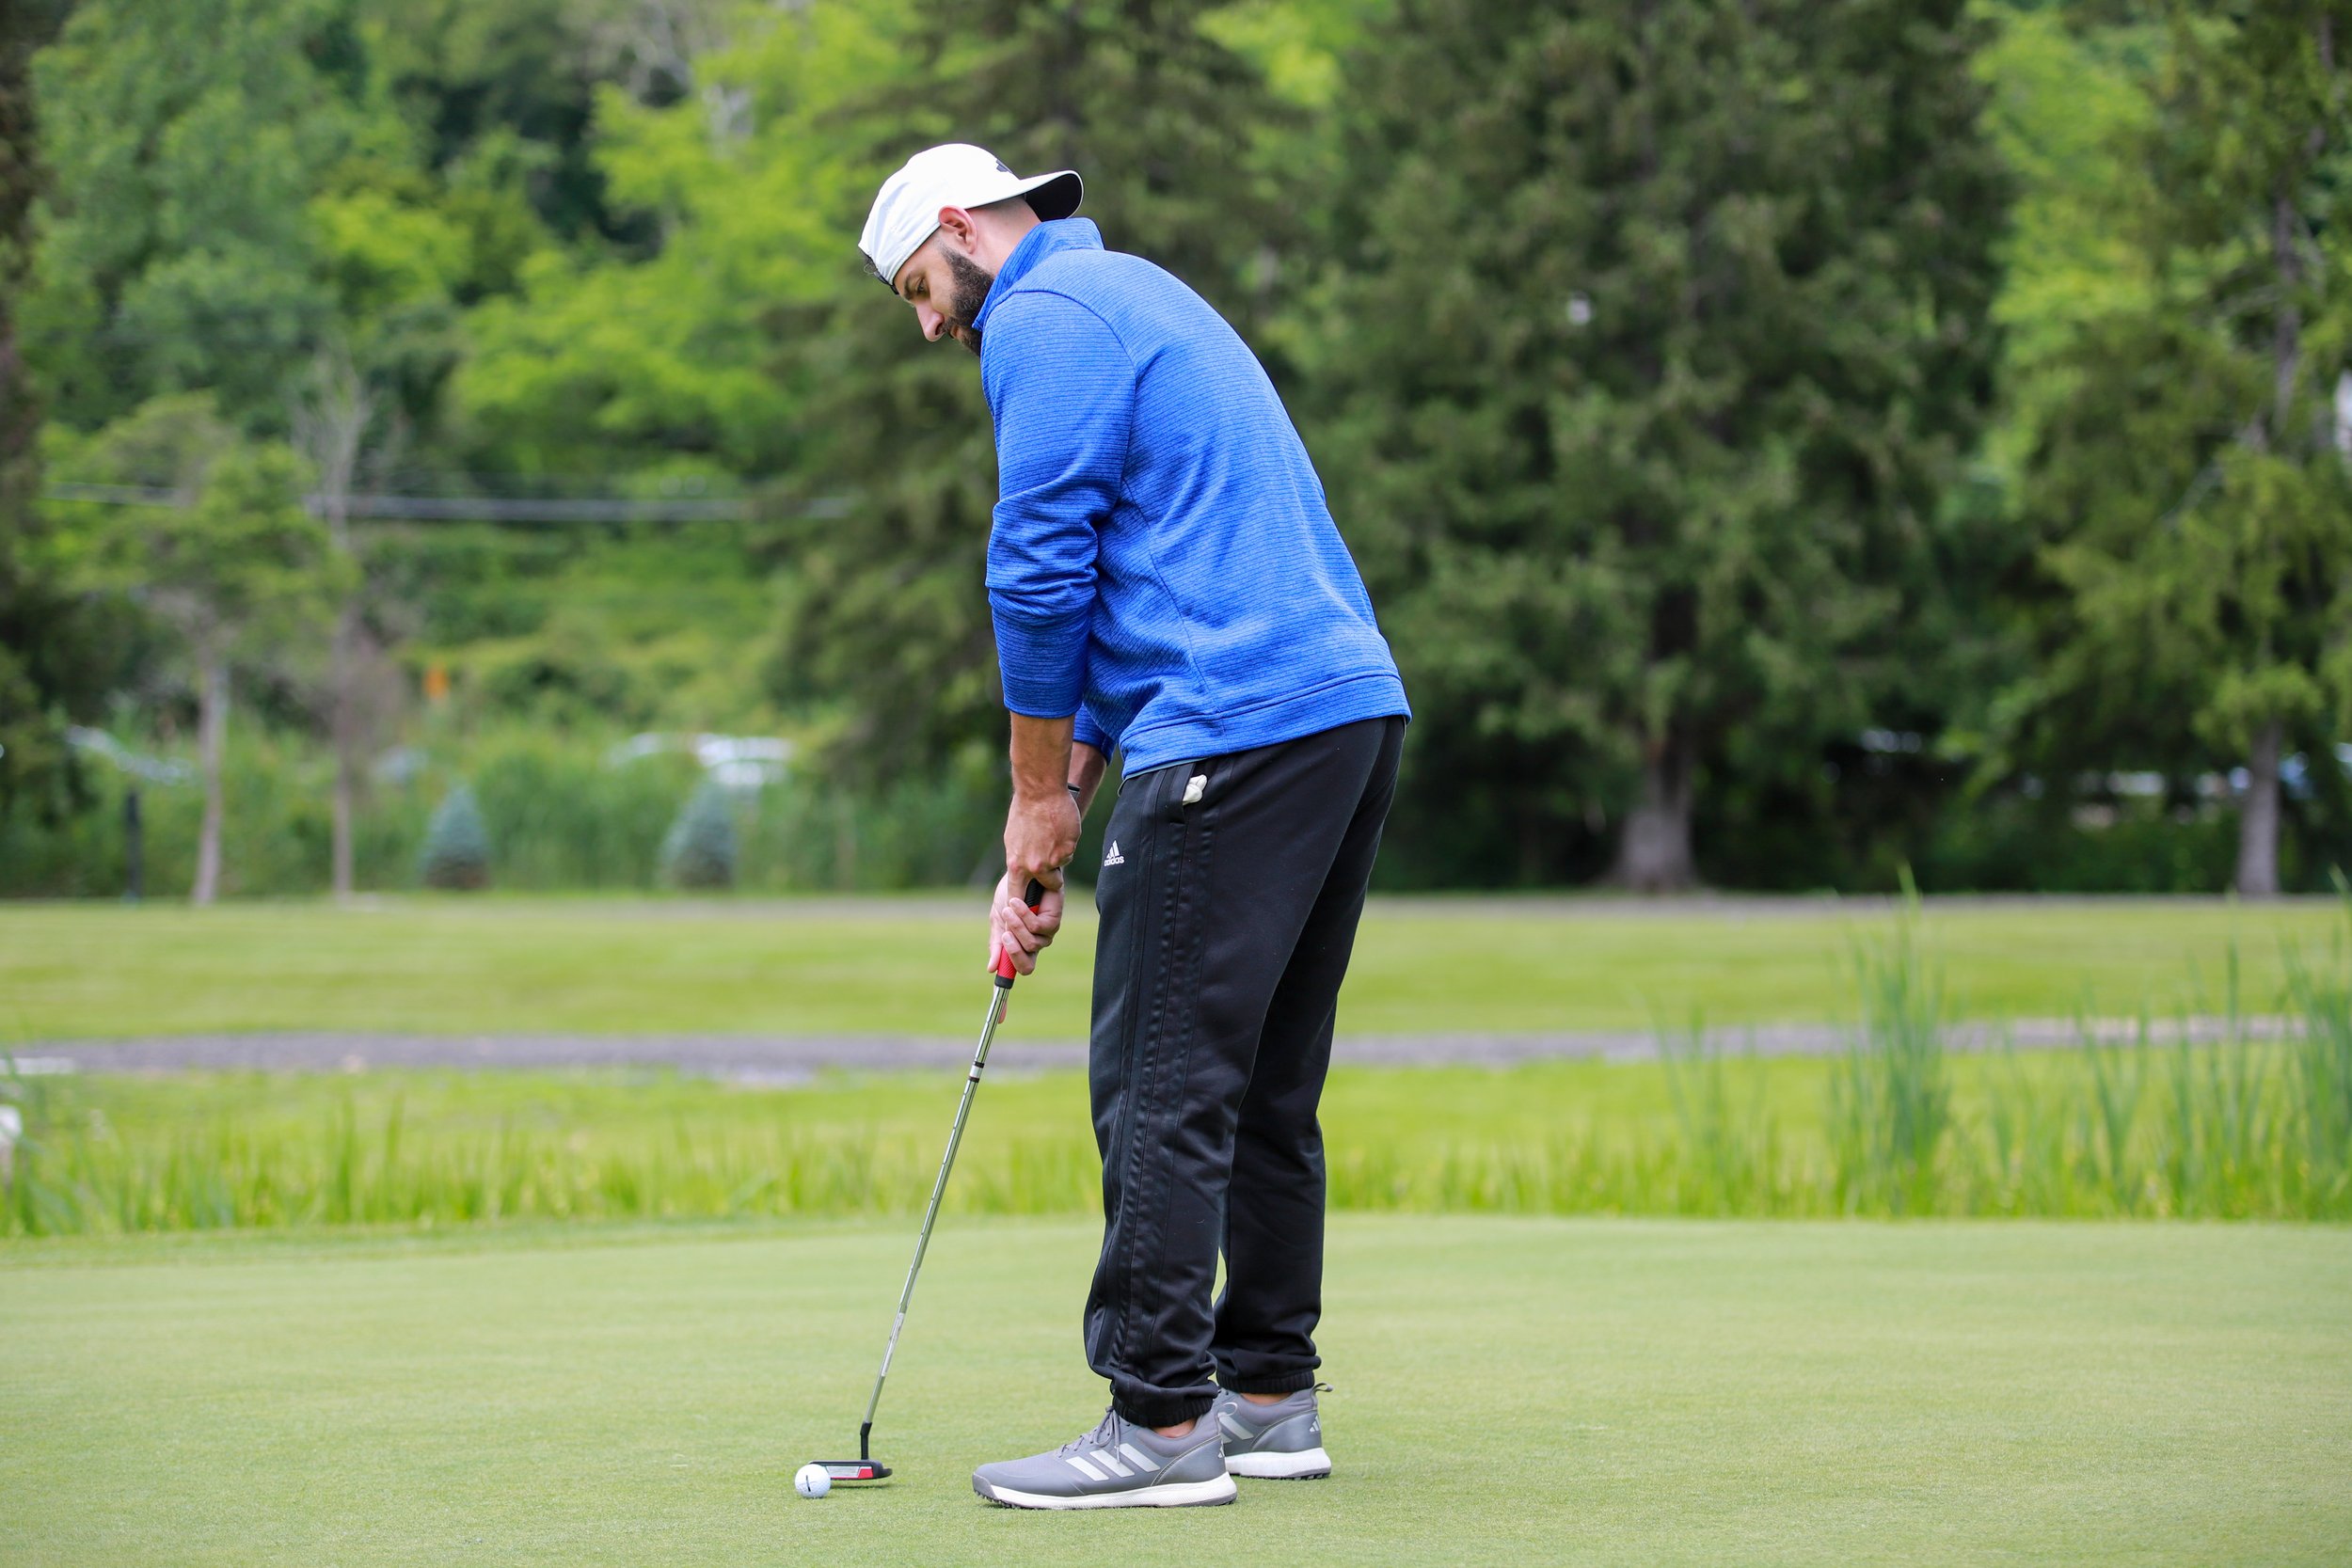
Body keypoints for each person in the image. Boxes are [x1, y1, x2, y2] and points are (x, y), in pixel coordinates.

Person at [859, 143, 1409, 1511]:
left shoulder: (1042, 316)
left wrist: (1037, 792)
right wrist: (1047, 832)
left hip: (1233, 724)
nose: (931, 324)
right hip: (1338, 713)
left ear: (960, 232)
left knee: (1162, 1082)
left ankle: (1160, 1420)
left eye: (921, 289)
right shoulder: (1134, 297)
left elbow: (1039, 571)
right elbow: (1135, 601)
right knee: (1267, 1085)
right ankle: (1268, 1398)